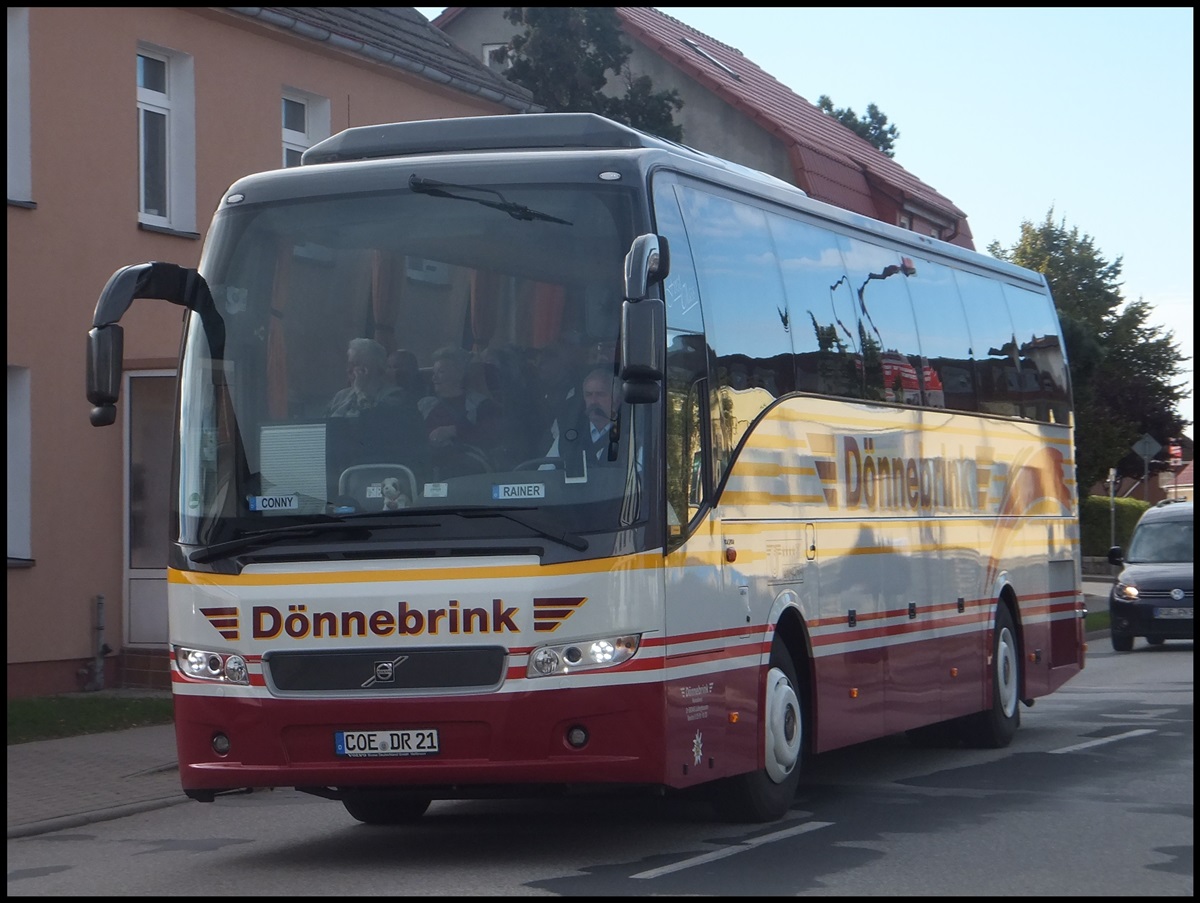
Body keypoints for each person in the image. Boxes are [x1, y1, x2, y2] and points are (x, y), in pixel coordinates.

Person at [417, 346, 505, 455]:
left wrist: (454, 430)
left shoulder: (483, 405)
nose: (434, 378)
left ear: (459, 374)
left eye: (441, 372)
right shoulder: (424, 405)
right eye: (433, 373)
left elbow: (493, 437)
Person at [544, 366, 621, 466]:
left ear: (616, 400)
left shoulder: (630, 438)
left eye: (600, 394)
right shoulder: (569, 436)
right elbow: (544, 473)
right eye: (589, 395)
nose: (593, 401)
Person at [328, 338, 402, 418]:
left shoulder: (393, 395)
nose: (348, 370)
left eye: (355, 364)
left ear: (375, 369)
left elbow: (370, 421)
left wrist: (361, 392)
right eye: (349, 364)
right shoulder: (341, 395)